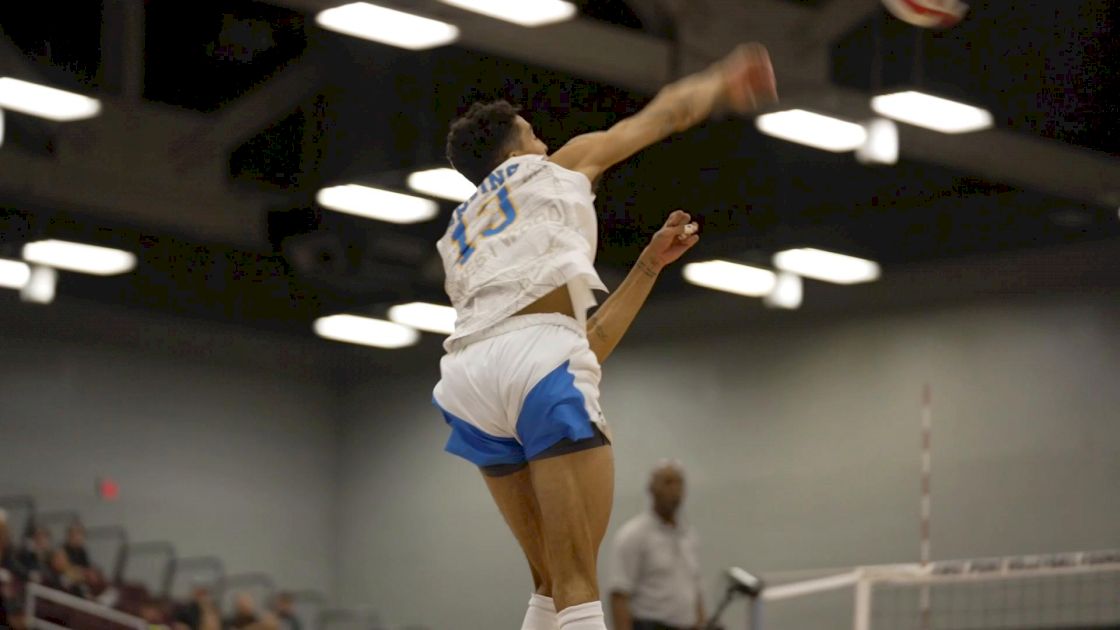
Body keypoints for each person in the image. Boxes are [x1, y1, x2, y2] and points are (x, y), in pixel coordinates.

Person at [433, 42, 777, 630]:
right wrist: (722, 81)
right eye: (535, 133)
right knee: (577, 582)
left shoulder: (465, 226)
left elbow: (570, 343)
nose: (544, 142)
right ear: (515, 146)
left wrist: (646, 266)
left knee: (549, 580)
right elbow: (661, 116)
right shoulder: (554, 168)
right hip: (532, 361)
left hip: (468, 380)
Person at [608, 461, 704, 630]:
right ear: (652, 489)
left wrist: (701, 621)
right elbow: (619, 594)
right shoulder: (634, 535)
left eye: (679, 483)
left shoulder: (688, 535)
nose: (674, 490)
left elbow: (694, 587)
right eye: (667, 482)